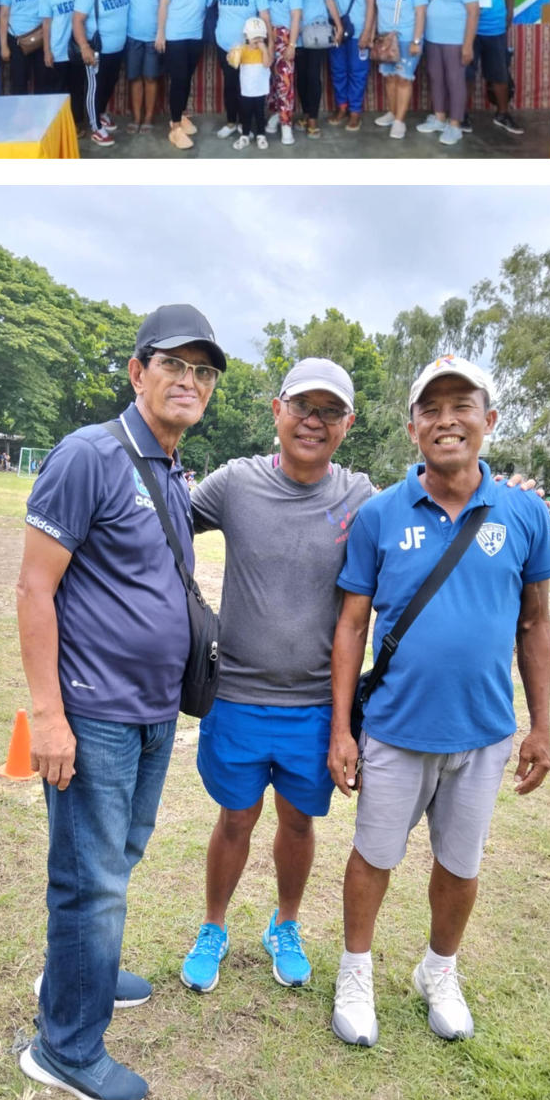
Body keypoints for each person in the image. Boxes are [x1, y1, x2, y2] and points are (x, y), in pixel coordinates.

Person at [15, 304, 227, 1100]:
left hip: (151, 713)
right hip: (93, 712)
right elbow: (36, 587)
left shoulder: (170, 470)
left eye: (203, 371)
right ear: (138, 372)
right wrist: (48, 715)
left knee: (116, 856)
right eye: (174, 364)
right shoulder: (89, 455)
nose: (190, 381)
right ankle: (64, 1048)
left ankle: (79, 971)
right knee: (90, 879)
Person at [328, 357, 550, 1047]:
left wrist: (543, 724)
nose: (446, 420)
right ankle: (356, 972)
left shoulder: (524, 512)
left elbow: (535, 622)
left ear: (489, 421)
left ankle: (439, 970)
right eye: (431, 409)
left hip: (483, 733)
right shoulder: (378, 515)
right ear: (411, 428)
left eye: (462, 405)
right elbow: (351, 625)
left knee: (461, 866)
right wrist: (342, 729)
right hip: (396, 730)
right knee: (373, 857)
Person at [179, 359, 375, 995]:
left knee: (297, 823)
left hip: (315, 705)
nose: (312, 422)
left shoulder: (360, 497)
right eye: (302, 407)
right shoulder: (234, 484)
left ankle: (284, 924)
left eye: (328, 411)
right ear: (276, 410)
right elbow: (159, 522)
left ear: (348, 423)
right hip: (235, 695)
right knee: (236, 819)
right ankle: (213, 926)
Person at [417, 0, 481, 148]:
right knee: (435, 77)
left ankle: (455, 125)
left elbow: (473, 12)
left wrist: (468, 44)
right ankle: (440, 117)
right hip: (431, 37)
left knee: (455, 79)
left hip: (455, 38)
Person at [155, 0, 217, 149]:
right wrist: (160, 34)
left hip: (196, 35)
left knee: (187, 78)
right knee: (179, 80)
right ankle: (175, 128)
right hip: (175, 35)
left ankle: (180, 116)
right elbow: (163, 4)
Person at [462, 0, 523, 137]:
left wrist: (509, 12)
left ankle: (503, 114)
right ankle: (462, 114)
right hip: (468, 28)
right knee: (465, 73)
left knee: (499, 73)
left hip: (495, 26)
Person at [210, 0, 272, 140]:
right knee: (230, 85)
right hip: (225, 44)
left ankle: (247, 126)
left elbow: (264, 15)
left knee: (248, 87)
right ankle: (231, 123)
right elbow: (207, 7)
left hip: (250, 48)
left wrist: (269, 43)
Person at [282, 0, 341, 140]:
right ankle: (306, 115)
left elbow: (329, 0)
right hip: (294, 36)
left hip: (316, 34)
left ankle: (313, 120)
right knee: (300, 78)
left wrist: (338, 25)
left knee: (313, 76)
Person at [370, 0, 427, 142]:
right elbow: (375, 8)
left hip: (407, 38)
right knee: (390, 77)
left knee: (403, 78)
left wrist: (417, 40)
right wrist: (372, 34)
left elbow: (421, 12)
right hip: (386, 39)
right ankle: (392, 112)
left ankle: (400, 121)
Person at [73, 0, 128, 147]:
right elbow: (78, 21)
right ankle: (95, 126)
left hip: (117, 48)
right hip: (97, 50)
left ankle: (101, 113)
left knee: (108, 83)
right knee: (94, 89)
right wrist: (85, 48)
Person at [323, 0, 375, 131]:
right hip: (335, 31)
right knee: (338, 71)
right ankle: (342, 108)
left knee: (357, 72)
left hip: (358, 31)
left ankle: (355, 112)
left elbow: (371, 3)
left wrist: (367, 32)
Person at [121, 0, 166, 134]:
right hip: (131, 35)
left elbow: (167, 5)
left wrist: (161, 33)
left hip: (154, 36)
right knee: (135, 77)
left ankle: (148, 117)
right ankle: (136, 116)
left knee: (150, 77)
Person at [40, 0, 88, 135]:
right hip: (58, 48)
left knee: (77, 88)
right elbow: (46, 23)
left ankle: (76, 124)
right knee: (58, 90)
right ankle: (58, 127)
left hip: (78, 48)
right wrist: (46, 51)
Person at [261, 0, 304, 146]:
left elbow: (296, 16)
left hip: (284, 35)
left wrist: (292, 44)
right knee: (268, 80)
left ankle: (286, 123)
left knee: (284, 82)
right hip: (263, 35)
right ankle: (275, 114)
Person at [228, 16, 273, 150]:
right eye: (254, 37)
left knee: (260, 112)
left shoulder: (263, 50)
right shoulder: (242, 49)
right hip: (246, 89)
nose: (257, 41)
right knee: (245, 112)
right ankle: (245, 136)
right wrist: (232, 54)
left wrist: (264, 49)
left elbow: (267, 64)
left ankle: (261, 135)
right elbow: (233, 63)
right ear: (247, 36)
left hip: (260, 89)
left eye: (260, 37)